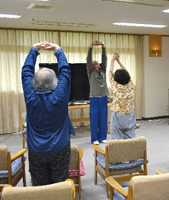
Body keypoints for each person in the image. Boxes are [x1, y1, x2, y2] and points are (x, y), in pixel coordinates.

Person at [22, 41, 75, 186]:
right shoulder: (60, 96)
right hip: (60, 149)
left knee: (41, 187)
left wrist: (34, 50)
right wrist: (58, 51)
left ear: (34, 83)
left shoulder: (30, 97)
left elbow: (26, 72)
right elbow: (65, 72)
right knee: (59, 186)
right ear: (54, 82)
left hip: (36, 150)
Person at [109, 53, 136, 139]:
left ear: (116, 79)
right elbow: (126, 73)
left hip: (118, 115)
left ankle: (118, 152)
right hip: (130, 115)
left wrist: (113, 60)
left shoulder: (116, 86)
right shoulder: (130, 85)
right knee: (131, 136)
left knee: (117, 138)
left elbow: (110, 73)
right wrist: (119, 61)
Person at [86, 40, 109, 144]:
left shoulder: (103, 71)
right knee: (94, 119)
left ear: (99, 65)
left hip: (104, 97)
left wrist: (103, 47)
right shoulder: (90, 72)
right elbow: (88, 59)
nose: (95, 63)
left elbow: (105, 59)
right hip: (94, 97)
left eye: (97, 62)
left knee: (103, 118)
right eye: (93, 62)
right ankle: (95, 138)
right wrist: (91, 47)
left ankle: (102, 137)